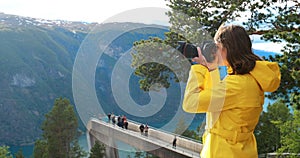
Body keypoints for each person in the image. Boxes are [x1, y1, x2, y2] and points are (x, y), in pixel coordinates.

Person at [182, 24, 281, 158]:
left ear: (228, 48)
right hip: (240, 151)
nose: (214, 52)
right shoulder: (250, 79)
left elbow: (191, 103)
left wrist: (199, 69)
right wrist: (211, 69)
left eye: (217, 47)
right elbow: (217, 102)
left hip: (223, 152)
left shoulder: (237, 85)